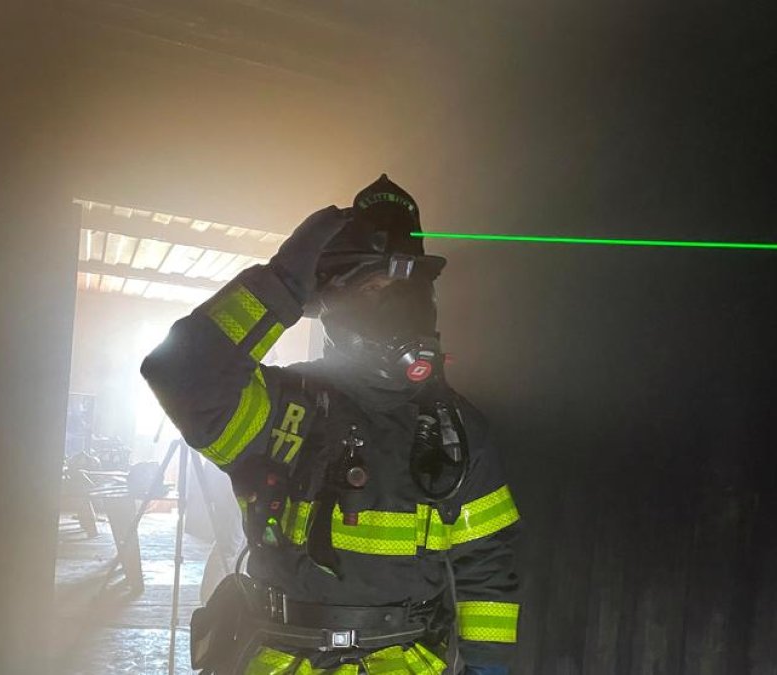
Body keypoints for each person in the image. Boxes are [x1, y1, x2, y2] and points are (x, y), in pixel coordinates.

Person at [141, 175, 521, 675]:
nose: (399, 303)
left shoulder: (457, 429)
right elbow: (179, 373)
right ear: (334, 305)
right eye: (376, 286)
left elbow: (487, 569)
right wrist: (280, 284)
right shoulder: (282, 406)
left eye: (410, 286)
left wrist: (487, 671)